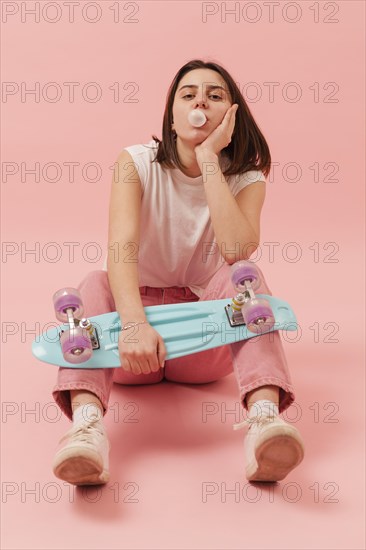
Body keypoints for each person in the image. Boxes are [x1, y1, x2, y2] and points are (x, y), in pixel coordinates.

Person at [51, 59, 305, 486]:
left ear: (232, 113)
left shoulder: (246, 178)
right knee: (95, 281)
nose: (200, 101)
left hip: (200, 336)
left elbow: (235, 249)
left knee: (244, 275)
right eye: (188, 94)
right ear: (171, 114)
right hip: (131, 342)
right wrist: (133, 325)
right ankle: (86, 431)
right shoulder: (135, 162)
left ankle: (264, 424)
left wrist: (209, 158)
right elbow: (121, 248)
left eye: (215, 94)